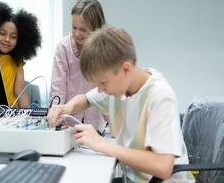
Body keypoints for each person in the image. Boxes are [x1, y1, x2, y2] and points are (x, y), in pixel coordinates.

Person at [48, 26, 194, 182]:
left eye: (103, 82)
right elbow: (85, 99)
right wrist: (66, 108)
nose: (100, 89)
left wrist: (103, 145)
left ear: (126, 69)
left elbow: (163, 167)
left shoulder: (160, 96)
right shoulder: (119, 87)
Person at [50, 0, 106, 133]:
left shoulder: (104, 50)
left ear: (96, 29)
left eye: (83, 29)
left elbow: (107, 90)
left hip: (96, 121)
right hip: (68, 120)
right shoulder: (63, 47)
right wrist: (55, 112)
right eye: (74, 27)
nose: (77, 34)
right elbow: (58, 87)